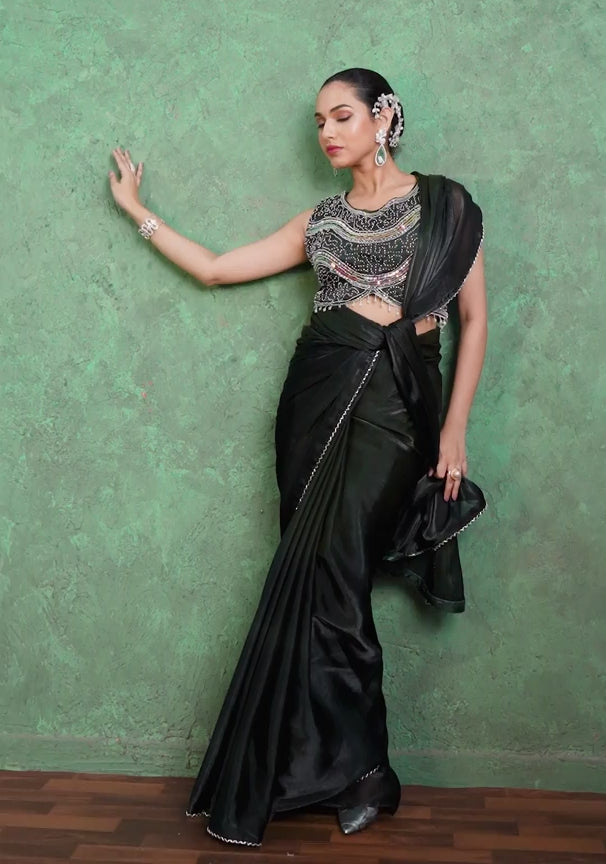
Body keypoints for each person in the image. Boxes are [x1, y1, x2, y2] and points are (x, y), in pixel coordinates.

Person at [108, 67, 488, 848]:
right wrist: (138, 211)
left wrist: (454, 430)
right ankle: (340, 769)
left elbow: (475, 321)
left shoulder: (445, 207)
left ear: (384, 117)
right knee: (316, 581)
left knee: (340, 576)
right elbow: (216, 268)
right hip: (314, 406)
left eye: (341, 115)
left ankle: (364, 768)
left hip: (396, 412)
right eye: (319, 121)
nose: (327, 132)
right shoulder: (320, 221)